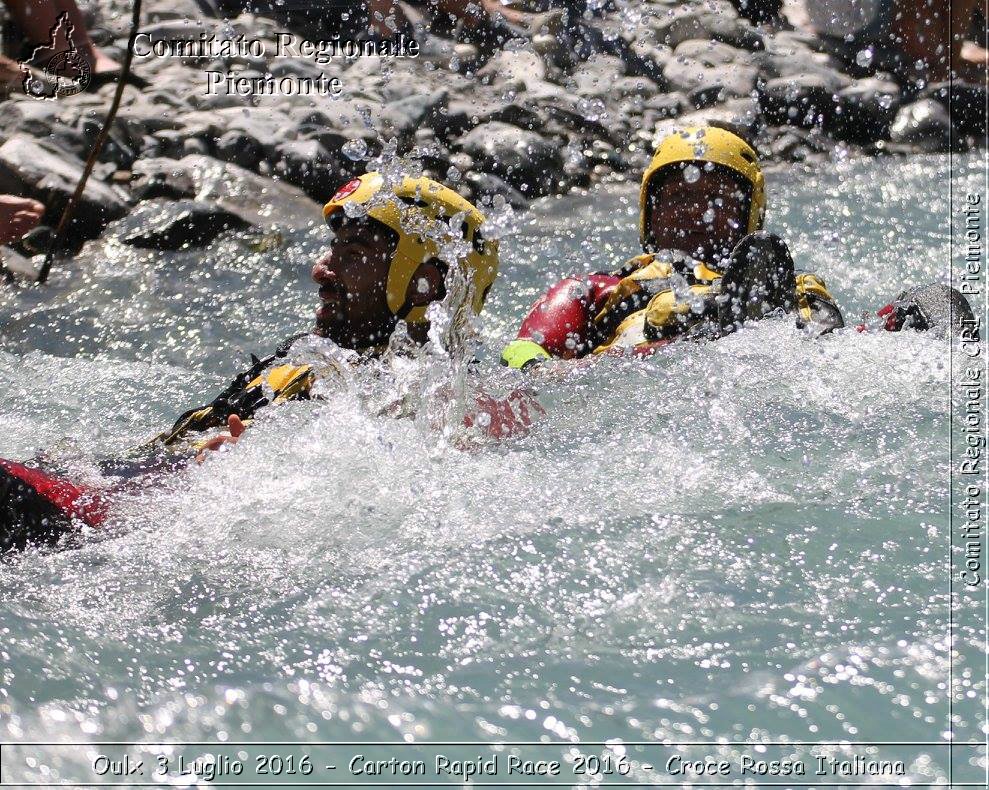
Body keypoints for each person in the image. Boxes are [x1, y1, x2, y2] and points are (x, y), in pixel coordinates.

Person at [0, 173, 540, 554]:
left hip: (109, 527)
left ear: (428, 283)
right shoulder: (314, 358)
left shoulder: (425, 395)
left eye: (351, 254)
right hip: (96, 498)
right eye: (333, 250)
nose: (320, 270)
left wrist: (241, 471)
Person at [501, 125, 845, 369]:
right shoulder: (594, 290)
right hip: (635, 372)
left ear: (748, 213)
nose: (696, 211)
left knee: (805, 308)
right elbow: (519, 354)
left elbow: (850, 351)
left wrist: (891, 321)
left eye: (715, 199)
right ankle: (712, 322)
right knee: (661, 313)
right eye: (679, 198)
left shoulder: (784, 283)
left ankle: (738, 323)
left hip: (753, 366)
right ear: (651, 211)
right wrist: (569, 372)